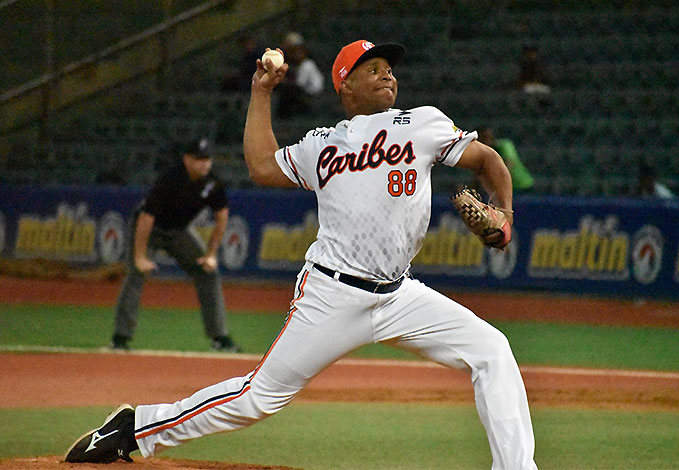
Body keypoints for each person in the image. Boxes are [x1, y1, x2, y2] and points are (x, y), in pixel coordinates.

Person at [65, 40, 537, 469]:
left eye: (389, 68)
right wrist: (261, 91)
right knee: (257, 398)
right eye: (373, 69)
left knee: (492, 350)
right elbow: (261, 166)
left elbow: (487, 159)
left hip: (399, 295)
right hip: (332, 294)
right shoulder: (323, 144)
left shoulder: (423, 122)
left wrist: (505, 213)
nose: (387, 75)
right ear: (345, 85)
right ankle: (136, 429)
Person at [110, 137, 240, 352]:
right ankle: (120, 338)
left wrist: (210, 254)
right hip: (150, 228)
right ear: (187, 159)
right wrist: (140, 257)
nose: (205, 164)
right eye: (199, 159)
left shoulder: (212, 183)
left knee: (207, 272)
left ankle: (220, 337)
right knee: (136, 273)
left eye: (207, 159)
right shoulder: (170, 179)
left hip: (179, 231)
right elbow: (146, 218)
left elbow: (222, 217)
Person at [275, 32, 324, 117]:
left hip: (313, 95)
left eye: (299, 53)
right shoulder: (298, 65)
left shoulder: (307, 64)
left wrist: (284, 82)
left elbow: (300, 84)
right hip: (305, 93)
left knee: (289, 93)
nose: (296, 55)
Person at [478, 126, 535, 193]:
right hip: (508, 189)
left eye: (486, 137)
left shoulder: (504, 145)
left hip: (522, 186)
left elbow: (509, 163)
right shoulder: (483, 154)